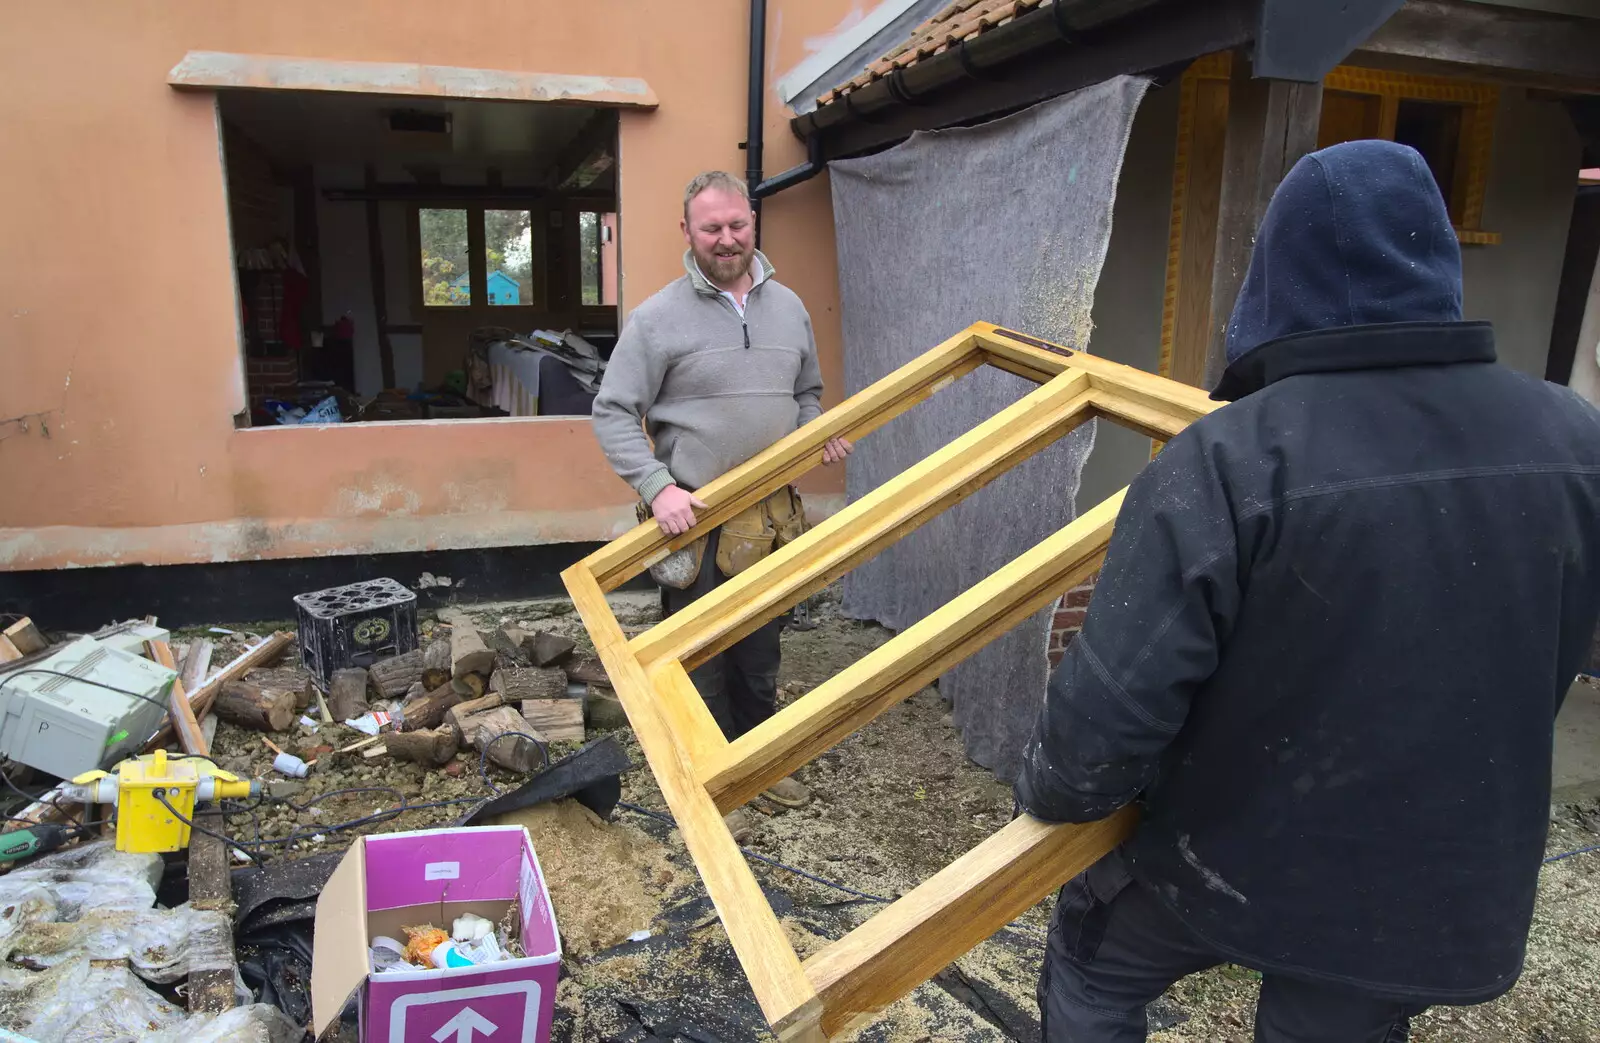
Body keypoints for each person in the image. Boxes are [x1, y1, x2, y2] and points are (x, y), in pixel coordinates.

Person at [1014, 139, 1600, 1041]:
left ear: (1278, 276)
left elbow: (1107, 718)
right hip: (1431, 881)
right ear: (1431, 257)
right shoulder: (1575, 437)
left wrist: (1056, 787)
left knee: (1095, 967)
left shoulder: (1234, 455)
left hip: (1230, 853)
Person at [592, 170, 852, 840]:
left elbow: (807, 394)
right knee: (701, 657)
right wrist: (658, 486)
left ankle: (759, 764)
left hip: (769, 520)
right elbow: (614, 412)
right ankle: (708, 781)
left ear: (752, 224)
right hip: (697, 524)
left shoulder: (789, 308)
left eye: (737, 225)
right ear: (688, 232)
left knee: (760, 653)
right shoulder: (656, 320)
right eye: (712, 228)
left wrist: (815, 432)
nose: (727, 239)